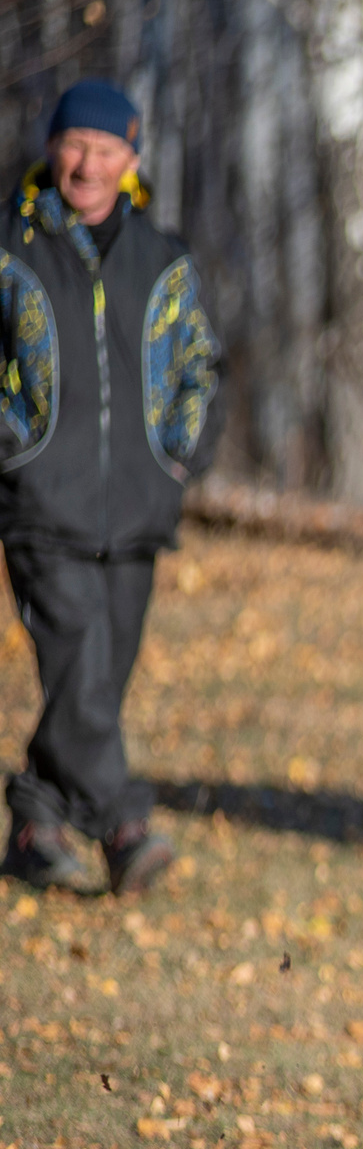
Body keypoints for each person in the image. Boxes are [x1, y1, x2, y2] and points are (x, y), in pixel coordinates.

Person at [2, 79, 223, 895]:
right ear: (49, 150)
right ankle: (127, 825)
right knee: (81, 668)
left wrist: (177, 452)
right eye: (73, 146)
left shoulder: (161, 257)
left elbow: (200, 364)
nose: (86, 164)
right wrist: (16, 439)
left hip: (137, 510)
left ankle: (35, 823)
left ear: (131, 159)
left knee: (95, 679)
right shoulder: (11, 247)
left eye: (104, 150)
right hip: (40, 506)